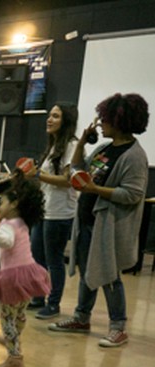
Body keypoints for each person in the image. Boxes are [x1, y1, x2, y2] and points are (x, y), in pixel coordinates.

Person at [49, 93, 149, 348]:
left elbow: (133, 194)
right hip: (87, 221)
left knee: (109, 275)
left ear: (120, 121)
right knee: (87, 271)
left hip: (109, 227)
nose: (100, 123)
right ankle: (82, 317)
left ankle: (118, 326)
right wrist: (82, 142)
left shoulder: (134, 156)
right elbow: (77, 170)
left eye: (105, 119)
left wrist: (95, 190)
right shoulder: (105, 149)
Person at [0, 175, 50, 367]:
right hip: (28, 274)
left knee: (6, 317)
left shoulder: (8, 224)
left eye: (2, 203)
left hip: (13, 278)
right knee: (19, 314)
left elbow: (6, 243)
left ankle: (14, 358)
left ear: (15, 203)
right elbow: (6, 248)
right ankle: (14, 336)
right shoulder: (21, 223)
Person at [23, 103, 79, 319]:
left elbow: (68, 181)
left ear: (66, 121)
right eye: (49, 115)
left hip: (60, 212)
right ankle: (38, 297)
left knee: (54, 259)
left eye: (55, 116)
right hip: (44, 211)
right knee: (37, 256)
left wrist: (38, 175)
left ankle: (53, 303)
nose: (49, 119)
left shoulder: (72, 147)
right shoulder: (54, 146)